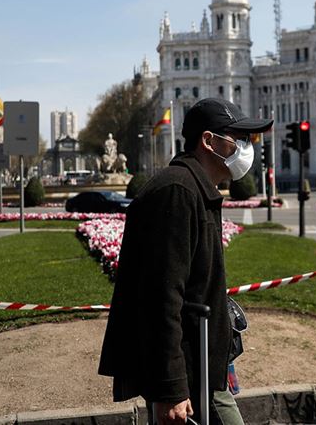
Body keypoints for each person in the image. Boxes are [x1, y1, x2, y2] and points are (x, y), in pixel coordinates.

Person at [99, 98, 272, 424]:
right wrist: (170, 387)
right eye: (239, 138)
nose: (247, 147)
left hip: (204, 366)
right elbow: (161, 297)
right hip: (190, 373)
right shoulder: (177, 192)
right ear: (208, 141)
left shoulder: (195, 188)